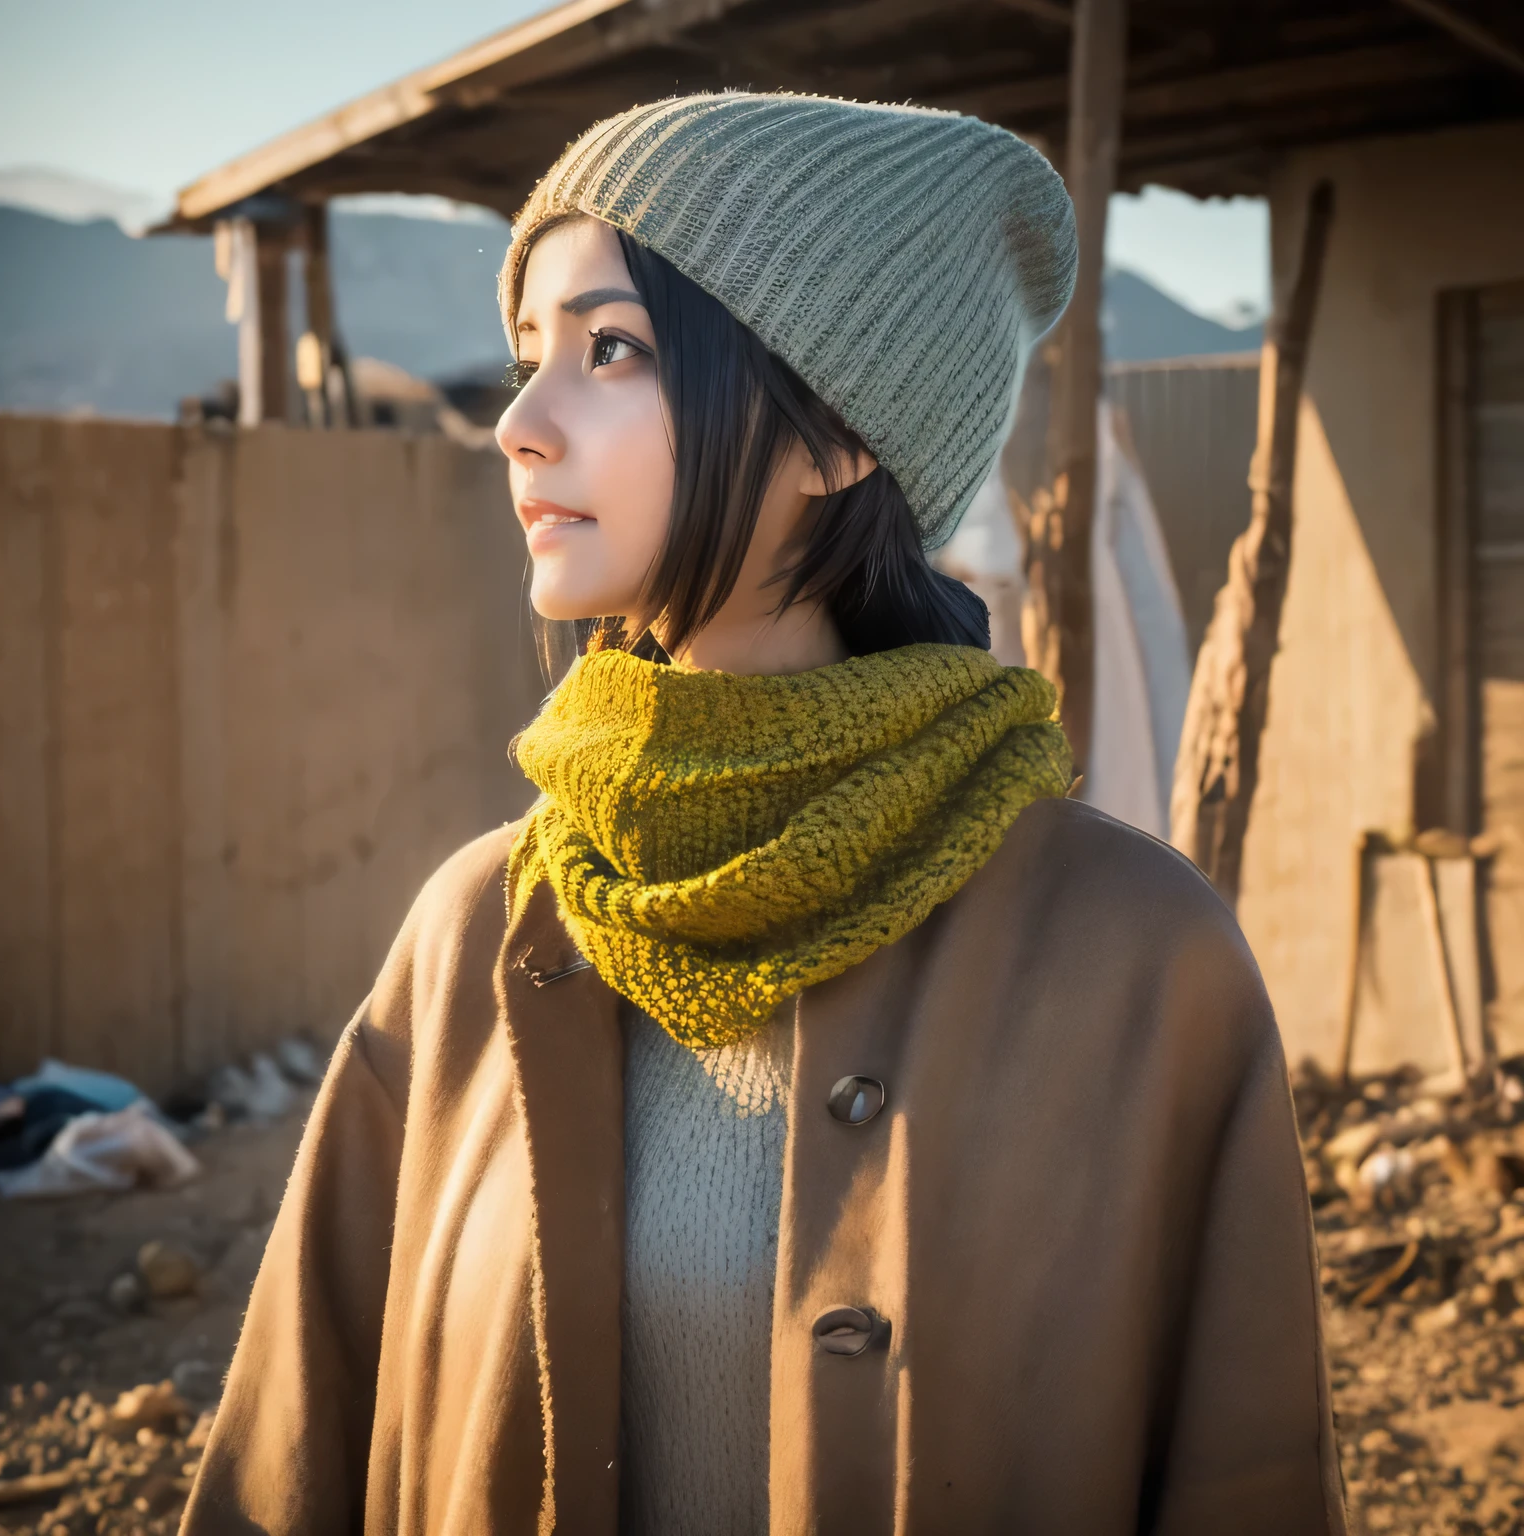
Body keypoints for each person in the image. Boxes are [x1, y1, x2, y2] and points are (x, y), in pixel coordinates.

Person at [180, 93, 1345, 1536]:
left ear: (839, 434)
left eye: (612, 350)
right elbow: (290, 1465)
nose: (521, 426)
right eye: (528, 355)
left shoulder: (1141, 964)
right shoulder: (471, 934)